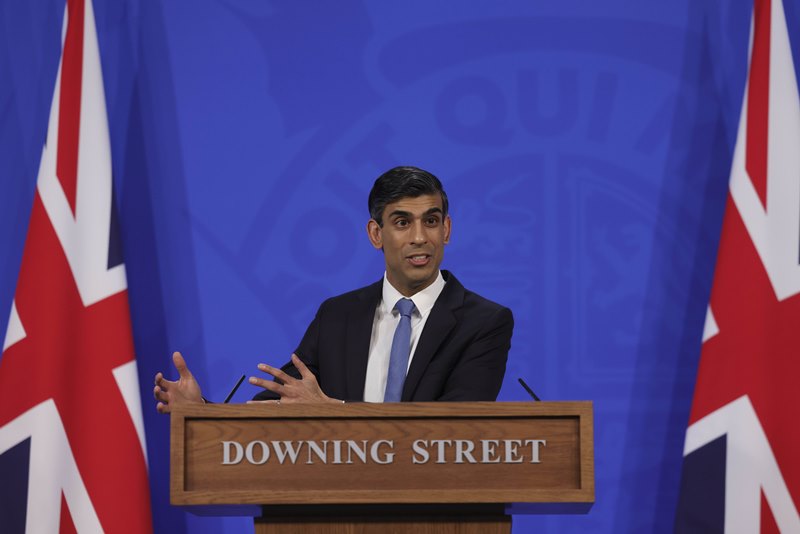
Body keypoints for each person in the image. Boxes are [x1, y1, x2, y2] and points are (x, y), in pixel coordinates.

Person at [154, 166, 513, 412]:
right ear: (376, 234)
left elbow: (457, 430)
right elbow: (284, 403)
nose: (420, 237)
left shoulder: (484, 322)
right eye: (403, 222)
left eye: (430, 221)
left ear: (446, 230)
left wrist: (335, 411)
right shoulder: (338, 316)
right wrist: (201, 412)